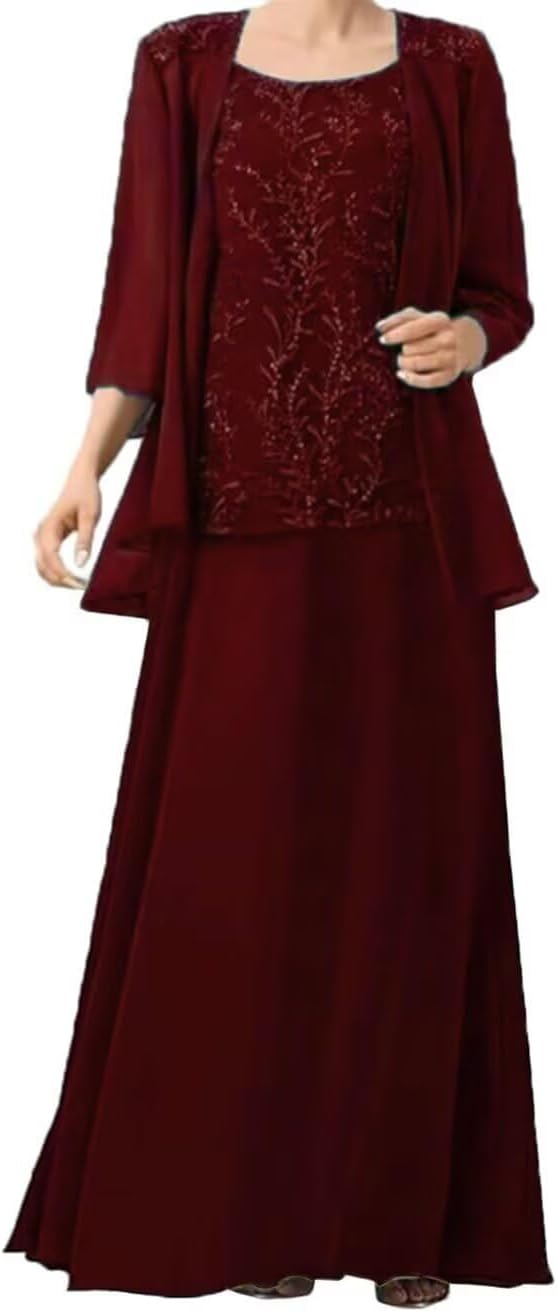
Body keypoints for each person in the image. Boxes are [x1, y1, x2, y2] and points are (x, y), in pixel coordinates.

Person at [3, 3, 553, 1307]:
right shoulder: (181, 64)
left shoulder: (453, 64)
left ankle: (400, 1218)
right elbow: (143, 295)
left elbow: (500, 290)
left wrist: (469, 338)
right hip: (232, 518)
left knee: (408, 872)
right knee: (229, 868)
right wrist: (86, 467)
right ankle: (251, 1215)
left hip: (406, 527)